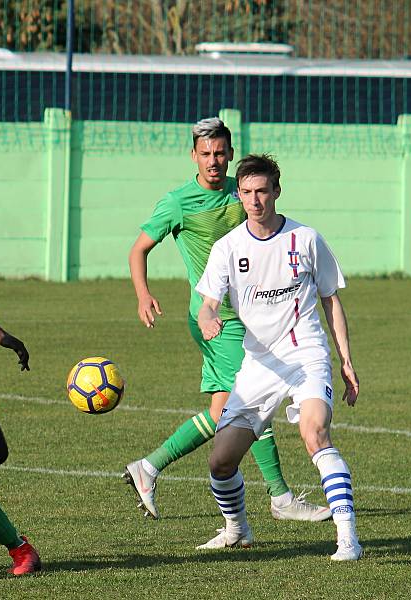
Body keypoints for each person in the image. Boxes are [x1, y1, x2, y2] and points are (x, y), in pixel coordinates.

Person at [123, 117, 329, 522]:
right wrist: (143, 294)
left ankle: (147, 468)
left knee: (224, 412)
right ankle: (280, 496)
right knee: (253, 405)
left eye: (220, 153)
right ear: (193, 156)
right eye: (205, 154)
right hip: (216, 320)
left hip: (255, 318)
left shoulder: (243, 194)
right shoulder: (178, 202)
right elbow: (138, 249)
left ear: (231, 155)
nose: (213, 161)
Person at [194, 154, 361, 560]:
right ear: (239, 195)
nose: (255, 200)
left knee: (315, 433)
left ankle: (348, 538)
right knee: (220, 461)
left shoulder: (305, 239)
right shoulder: (228, 248)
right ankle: (237, 530)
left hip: (305, 355)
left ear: (276, 192)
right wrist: (208, 318)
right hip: (259, 365)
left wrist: (345, 361)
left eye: (262, 191)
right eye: (247, 192)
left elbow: (330, 301)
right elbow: (207, 304)